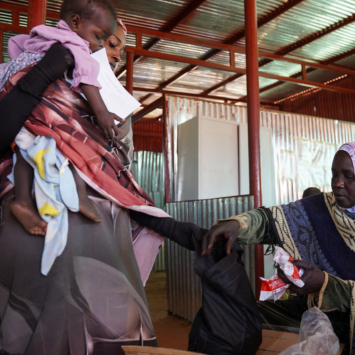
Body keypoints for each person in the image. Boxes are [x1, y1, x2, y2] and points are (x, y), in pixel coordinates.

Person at [0, 17, 198, 355]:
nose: (117, 54)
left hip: (101, 252)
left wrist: (177, 229)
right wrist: (44, 75)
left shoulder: (116, 112)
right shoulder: (20, 74)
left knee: (111, 332)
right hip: (30, 242)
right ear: (77, 35)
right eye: (109, 43)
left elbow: (117, 185)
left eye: (121, 47)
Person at [202, 143, 355, 354]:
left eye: (349, 176)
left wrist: (324, 283)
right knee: (229, 315)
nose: (338, 183)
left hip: (347, 324)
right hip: (317, 314)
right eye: (334, 174)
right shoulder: (321, 208)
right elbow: (271, 220)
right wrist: (238, 225)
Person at [7, 0, 124, 236]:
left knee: (24, 148)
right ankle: (78, 195)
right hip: (32, 98)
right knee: (71, 143)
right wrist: (101, 114)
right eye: (100, 37)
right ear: (76, 23)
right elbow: (87, 81)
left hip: (14, 92)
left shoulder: (49, 34)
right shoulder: (76, 46)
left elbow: (17, 46)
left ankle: (21, 200)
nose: (99, 45)